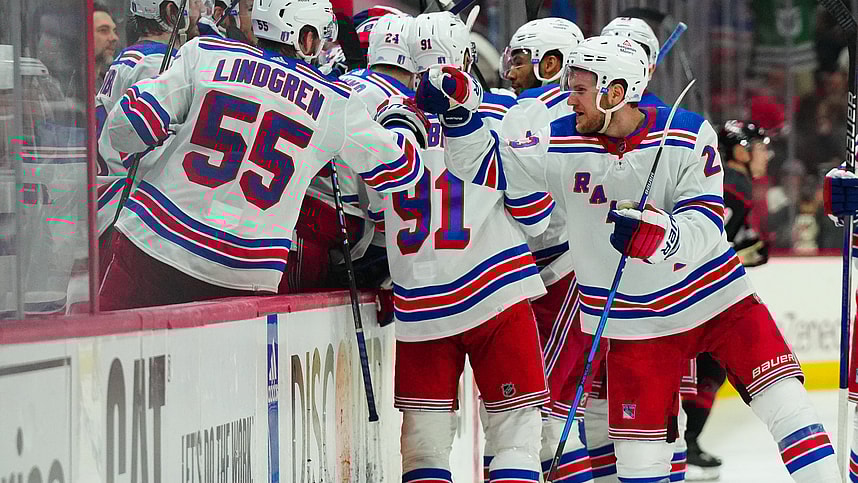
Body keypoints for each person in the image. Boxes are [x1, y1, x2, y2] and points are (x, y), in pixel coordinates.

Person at [416, 35, 841, 482]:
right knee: (639, 463)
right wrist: (460, 119)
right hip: (633, 323)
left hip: (718, 300)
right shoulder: (557, 141)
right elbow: (487, 169)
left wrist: (665, 236)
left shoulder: (685, 132)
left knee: (788, 405)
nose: (568, 97)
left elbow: (708, 216)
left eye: (579, 88)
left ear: (614, 92)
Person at [99, 0, 427, 311]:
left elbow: (126, 125)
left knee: (106, 361)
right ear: (307, 37)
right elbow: (403, 170)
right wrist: (403, 121)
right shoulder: (335, 101)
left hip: (155, 241)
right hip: (245, 270)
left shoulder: (206, 53)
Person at [375, 11, 551, 483]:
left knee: (422, 448)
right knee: (515, 438)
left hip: (420, 302)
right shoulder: (505, 110)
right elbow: (536, 215)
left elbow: (371, 210)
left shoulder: (384, 120)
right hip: (497, 292)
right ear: (468, 56)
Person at [497, 17, 606, 483]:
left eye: (519, 61)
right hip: (569, 274)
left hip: (565, 276)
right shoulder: (587, 111)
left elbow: (532, 212)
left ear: (551, 64)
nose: (509, 72)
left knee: (546, 415)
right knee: (553, 416)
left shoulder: (532, 113)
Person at [94, 0, 202, 282]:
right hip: (128, 216)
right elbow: (149, 158)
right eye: (193, 3)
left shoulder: (130, 57)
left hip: (107, 206)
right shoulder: (159, 65)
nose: (199, 7)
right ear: (170, 12)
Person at [93, 3, 119, 90]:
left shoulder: (110, 87)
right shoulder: (65, 86)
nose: (114, 38)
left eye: (114, 31)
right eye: (103, 30)